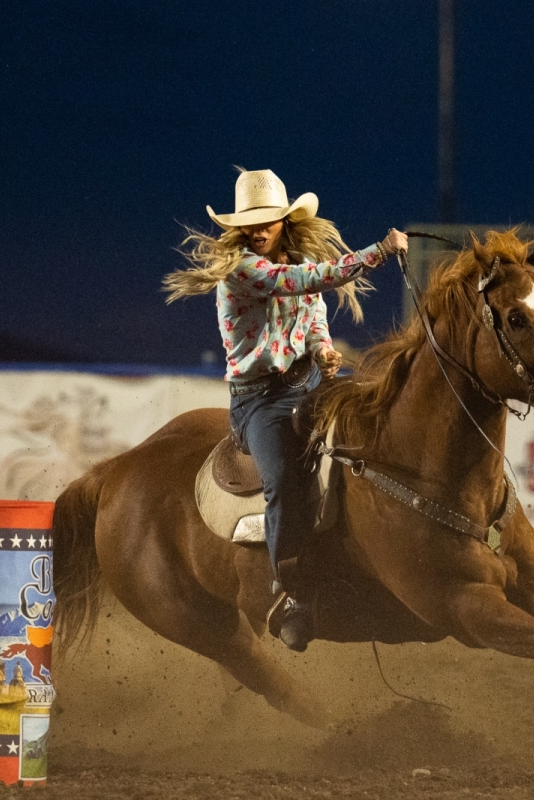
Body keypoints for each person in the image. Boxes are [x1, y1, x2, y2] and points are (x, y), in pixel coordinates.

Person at [163, 168, 407, 651]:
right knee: (282, 480)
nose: (257, 230)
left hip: (310, 381)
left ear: (283, 222)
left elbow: (313, 314)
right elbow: (301, 282)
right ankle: (289, 590)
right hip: (259, 400)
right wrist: (377, 252)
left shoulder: (291, 265)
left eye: (266, 221)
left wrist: (323, 351)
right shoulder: (243, 271)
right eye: (249, 223)